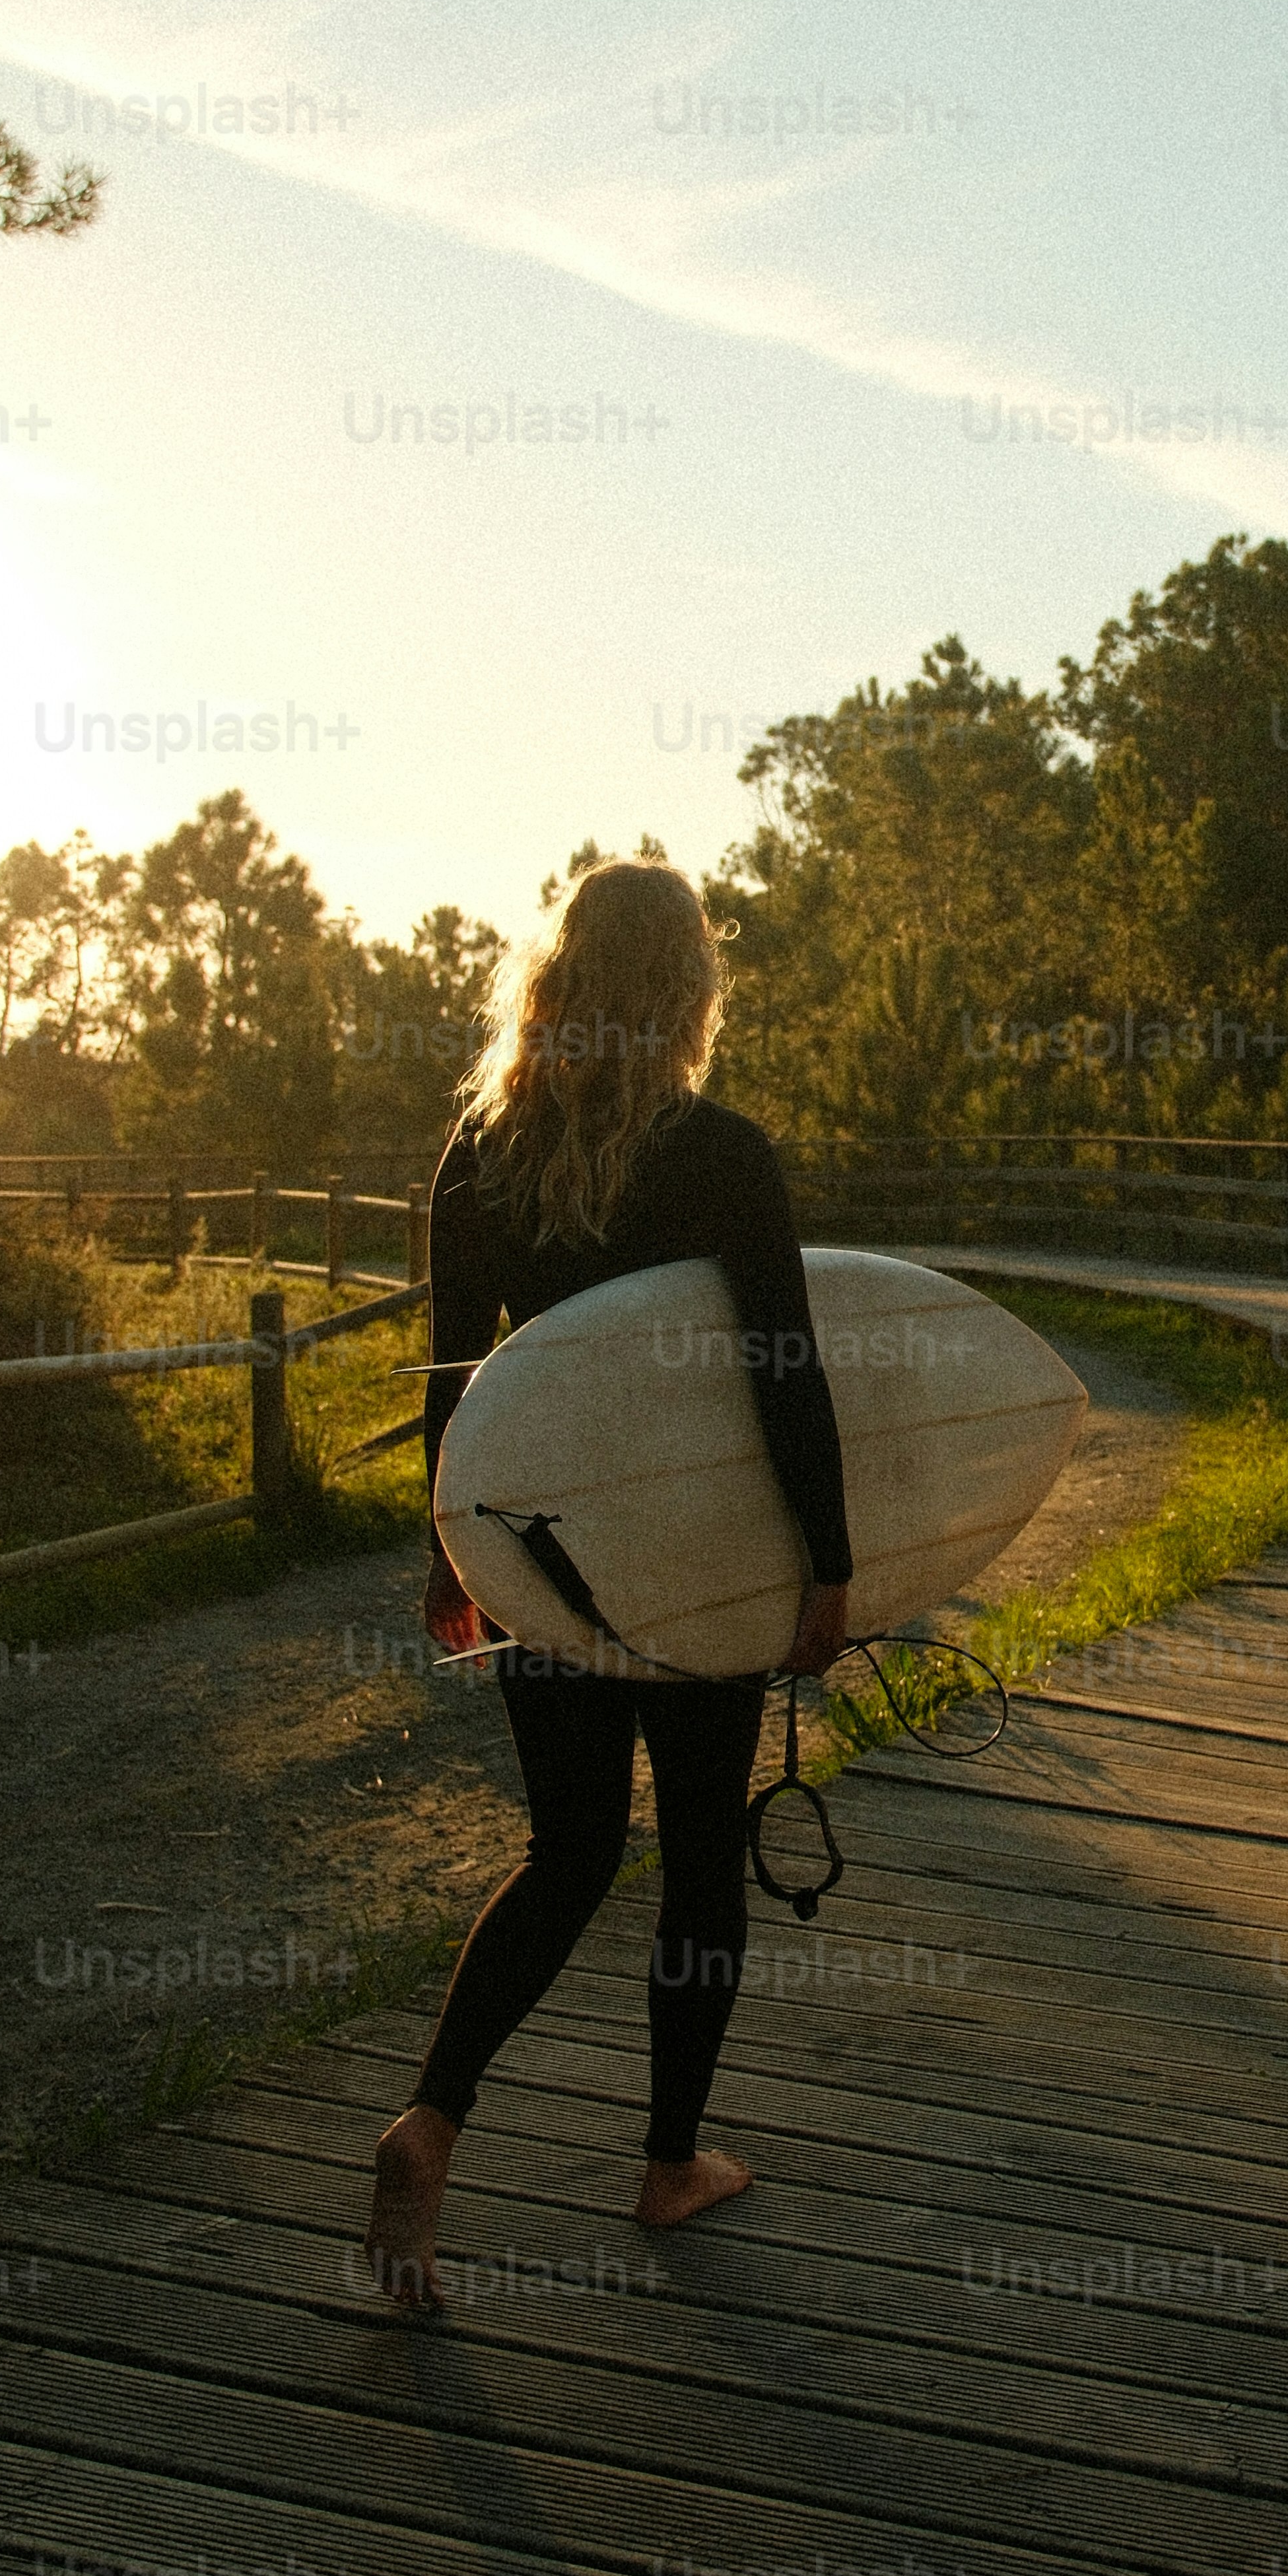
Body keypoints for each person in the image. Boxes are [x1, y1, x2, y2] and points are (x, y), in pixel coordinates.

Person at [362, 860, 852, 2311]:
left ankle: (432, 2118)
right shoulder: (721, 1155)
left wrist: (452, 1556)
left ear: (557, 978)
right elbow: (786, 1376)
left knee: (570, 1854)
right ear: (689, 987)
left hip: (543, 1549)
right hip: (699, 1553)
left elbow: (459, 1387)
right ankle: (668, 2163)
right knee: (699, 1855)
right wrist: (826, 1562)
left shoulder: (478, 1154)